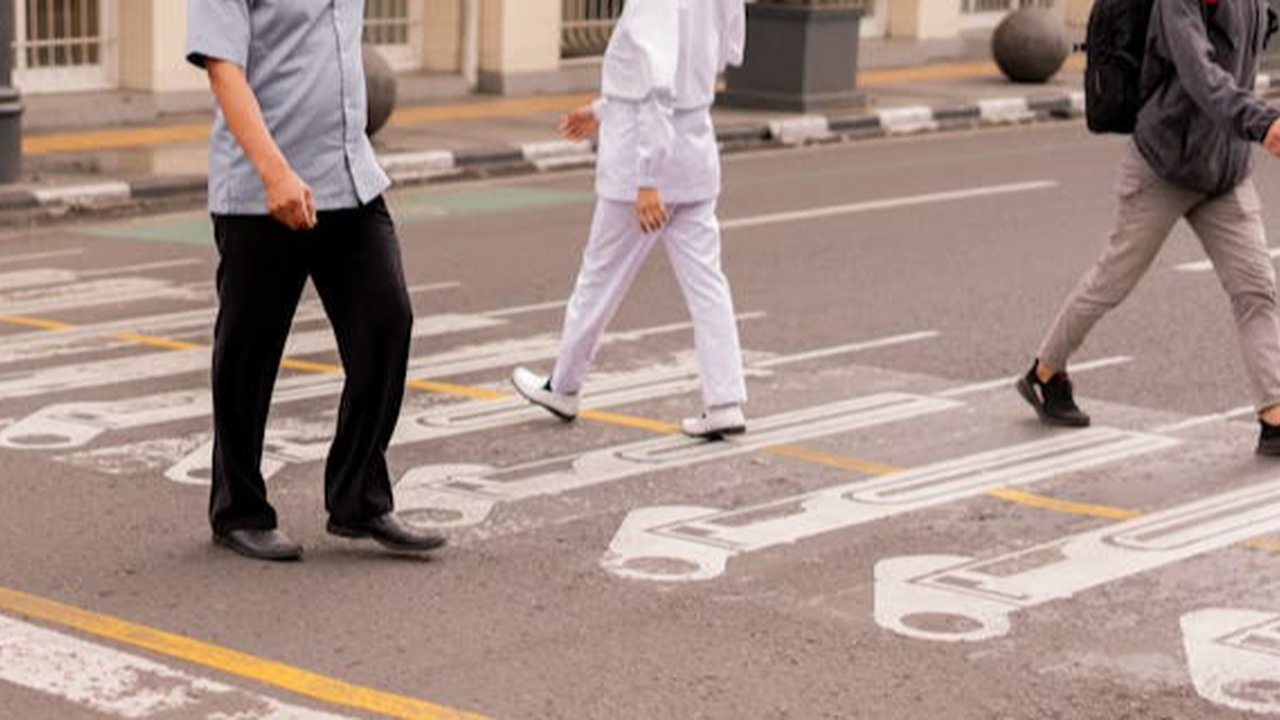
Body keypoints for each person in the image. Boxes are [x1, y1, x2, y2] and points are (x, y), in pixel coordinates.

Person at [187, 0, 446, 561]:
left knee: (387, 320)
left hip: (349, 177)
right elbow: (222, 67)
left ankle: (358, 499)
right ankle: (239, 510)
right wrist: (274, 172)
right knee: (247, 356)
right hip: (263, 190)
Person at [1019, 0, 1280, 453]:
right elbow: (1201, 76)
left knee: (1256, 289)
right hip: (1163, 167)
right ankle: (1044, 373)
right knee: (1110, 282)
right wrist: (1261, 122)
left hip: (1224, 174)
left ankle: (1274, 416)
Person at [512, 0, 750, 439]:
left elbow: (658, 88)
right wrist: (602, 110)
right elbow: (690, 67)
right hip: (694, 151)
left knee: (599, 278)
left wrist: (648, 181)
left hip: (643, 164)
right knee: (707, 284)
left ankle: (563, 387)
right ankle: (725, 400)